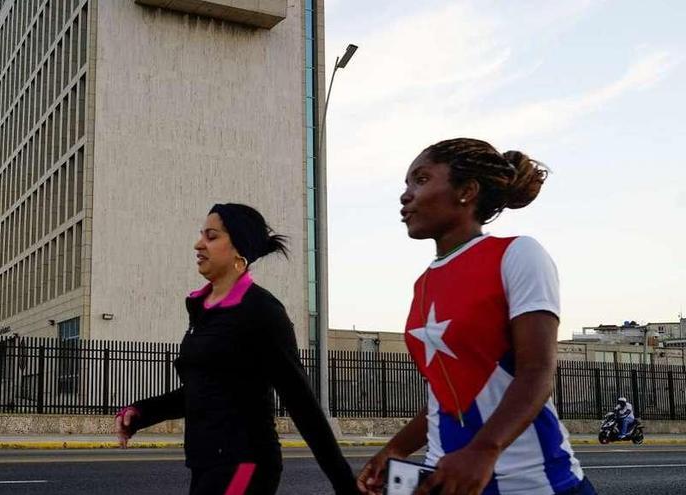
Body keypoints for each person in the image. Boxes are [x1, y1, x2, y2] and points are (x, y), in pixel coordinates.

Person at [357, 138, 595, 495]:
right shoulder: (424, 283)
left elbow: (537, 373)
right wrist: (395, 449)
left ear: (467, 191)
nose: (406, 195)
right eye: (406, 184)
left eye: (420, 180)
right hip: (448, 482)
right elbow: (449, 395)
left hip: (536, 485)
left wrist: (484, 449)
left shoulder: (517, 254)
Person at [116, 203, 358, 495]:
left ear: (238, 252)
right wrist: (141, 413)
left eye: (211, 236)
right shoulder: (203, 310)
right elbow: (203, 391)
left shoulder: (262, 311)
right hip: (205, 464)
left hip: (246, 465)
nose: (198, 244)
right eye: (201, 235)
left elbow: (301, 403)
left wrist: (346, 485)